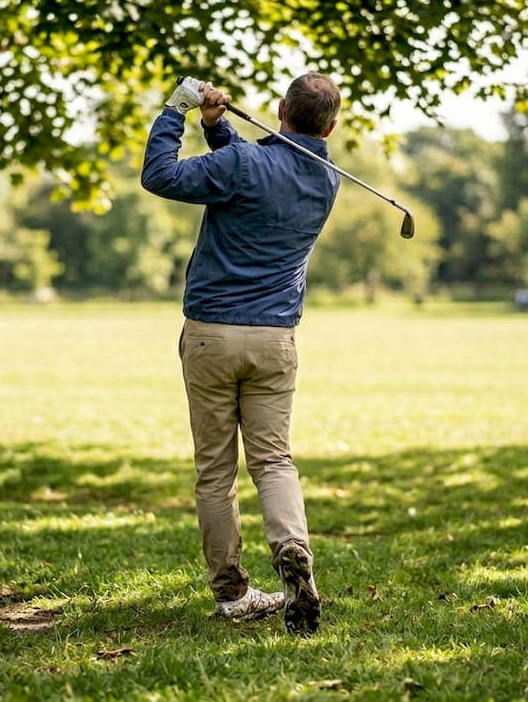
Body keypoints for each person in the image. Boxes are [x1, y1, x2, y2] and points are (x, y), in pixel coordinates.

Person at [141, 74, 338, 635]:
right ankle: (292, 549)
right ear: (330, 126)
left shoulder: (247, 166)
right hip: (275, 340)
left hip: (210, 336)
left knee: (216, 471)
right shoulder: (326, 179)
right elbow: (249, 172)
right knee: (273, 461)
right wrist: (216, 126)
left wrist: (179, 109)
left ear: (279, 110)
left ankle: (231, 591)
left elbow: (160, 175)